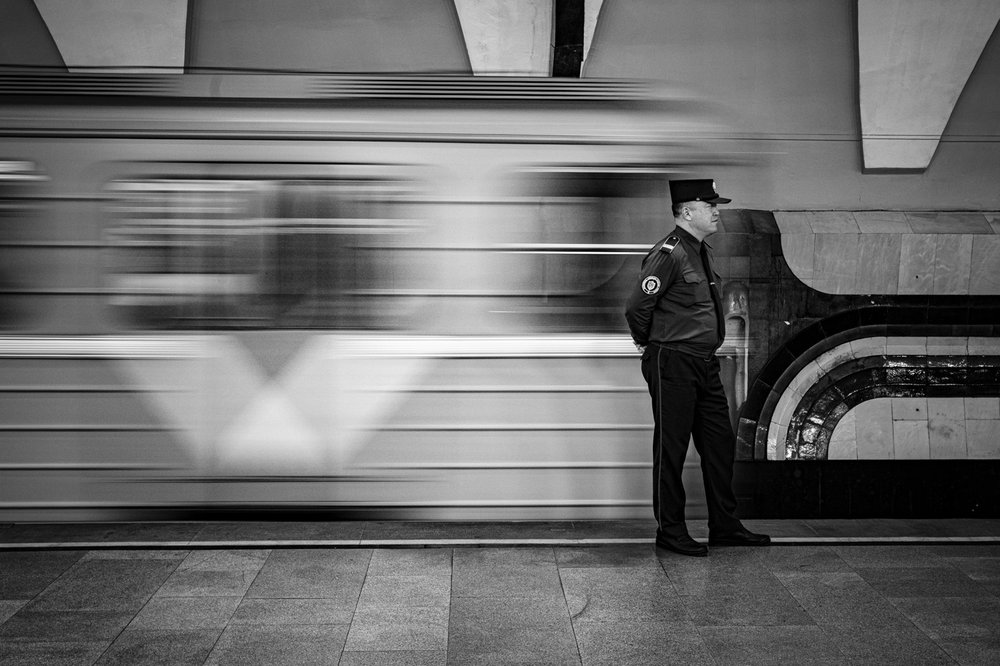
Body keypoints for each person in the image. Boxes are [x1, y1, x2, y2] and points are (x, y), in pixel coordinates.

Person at [624, 179, 769, 556]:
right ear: (687, 212)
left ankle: (725, 526)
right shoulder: (670, 253)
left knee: (719, 444)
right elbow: (637, 306)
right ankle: (670, 531)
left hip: (704, 363)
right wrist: (648, 342)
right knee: (671, 449)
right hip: (673, 361)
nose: (717, 211)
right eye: (710, 206)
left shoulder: (700, 251)